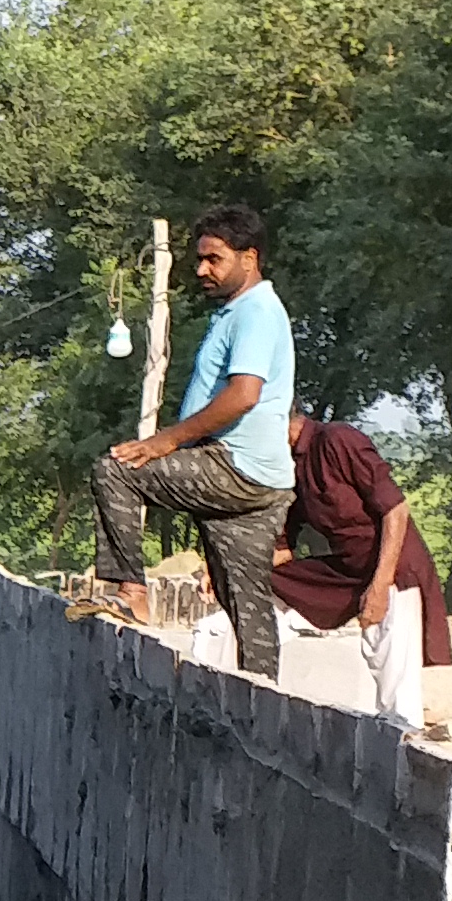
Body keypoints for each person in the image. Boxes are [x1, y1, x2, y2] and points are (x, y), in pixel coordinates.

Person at [85, 207, 295, 679]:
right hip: (263, 479)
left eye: (214, 259)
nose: (202, 270)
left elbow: (243, 395)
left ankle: (131, 593)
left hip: (233, 466)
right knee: (244, 597)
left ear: (250, 257)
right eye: (200, 259)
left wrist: (166, 442)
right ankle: (264, 697)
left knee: (115, 469)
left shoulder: (257, 311)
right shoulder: (238, 311)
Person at [277, 408, 449, 733]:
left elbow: (396, 511)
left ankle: (403, 744)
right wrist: (223, 570)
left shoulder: (338, 440)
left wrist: (380, 586)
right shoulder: (290, 466)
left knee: (395, 679)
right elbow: (282, 547)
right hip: (348, 568)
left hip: (393, 569)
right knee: (265, 585)